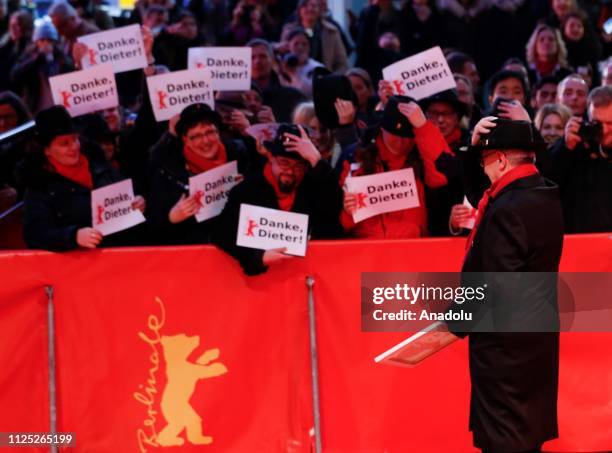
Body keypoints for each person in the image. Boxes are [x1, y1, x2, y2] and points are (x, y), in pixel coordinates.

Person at [446, 117, 564, 453]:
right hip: (535, 347)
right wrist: (473, 145)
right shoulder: (543, 192)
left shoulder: (507, 208)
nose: (484, 171)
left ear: (500, 160)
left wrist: (454, 322)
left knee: (505, 443)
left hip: (505, 356)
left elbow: (494, 287)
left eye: (485, 162)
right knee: (525, 441)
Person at [212, 123, 343, 275]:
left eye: (299, 166)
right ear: (271, 158)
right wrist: (257, 257)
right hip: (260, 284)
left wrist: (316, 159)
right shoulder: (248, 189)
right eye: (284, 163)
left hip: (309, 277)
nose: (290, 171)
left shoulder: (313, 187)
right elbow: (221, 234)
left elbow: (334, 209)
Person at [19, 105, 146, 251]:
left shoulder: (98, 163)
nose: (74, 147)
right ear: (46, 150)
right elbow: (35, 235)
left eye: (75, 140)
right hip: (79, 264)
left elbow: (126, 195)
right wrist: (73, 236)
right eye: (64, 143)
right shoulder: (38, 185)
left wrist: (137, 202)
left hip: (121, 252)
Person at [340, 96, 453, 239]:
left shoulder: (422, 159)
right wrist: (348, 213)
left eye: (407, 136)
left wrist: (424, 127)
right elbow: (336, 222)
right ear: (381, 129)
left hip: (414, 250)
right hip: (367, 252)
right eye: (394, 135)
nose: (400, 142)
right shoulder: (355, 159)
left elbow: (443, 174)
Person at [146, 103, 253, 245]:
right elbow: (152, 230)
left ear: (218, 133)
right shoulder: (169, 171)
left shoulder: (240, 157)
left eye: (210, 132)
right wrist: (171, 218)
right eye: (196, 136)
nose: (205, 141)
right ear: (185, 139)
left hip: (237, 251)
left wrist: (246, 190)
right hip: (193, 257)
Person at [545, 86, 612, 233]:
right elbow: (545, 186)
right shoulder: (575, 147)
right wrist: (564, 147)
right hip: (579, 242)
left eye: (610, 123)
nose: (605, 130)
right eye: (598, 123)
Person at [10, 21, 74, 114]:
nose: (46, 43)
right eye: (42, 40)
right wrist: (38, 58)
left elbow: (70, 70)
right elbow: (15, 75)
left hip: (59, 107)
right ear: (36, 42)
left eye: (49, 40)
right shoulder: (28, 55)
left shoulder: (61, 56)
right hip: (36, 108)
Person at [248, 38, 306, 122]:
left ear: (272, 61)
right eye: (252, 57)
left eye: (263, 56)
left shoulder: (292, 97)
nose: (257, 61)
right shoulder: (235, 99)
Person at [282, 0, 348, 74]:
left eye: (313, 6)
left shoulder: (331, 32)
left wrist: (331, 79)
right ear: (299, 10)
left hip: (324, 79)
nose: (310, 9)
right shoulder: (288, 31)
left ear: (319, 10)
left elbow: (342, 63)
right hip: (295, 79)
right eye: (305, 6)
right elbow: (282, 58)